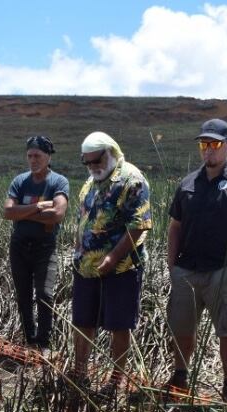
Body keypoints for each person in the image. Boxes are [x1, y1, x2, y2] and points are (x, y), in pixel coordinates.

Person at [166, 118, 227, 401]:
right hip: (187, 269)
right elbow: (175, 226)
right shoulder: (188, 182)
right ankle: (180, 377)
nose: (208, 150)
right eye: (203, 144)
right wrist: (172, 264)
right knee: (182, 327)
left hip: (222, 270)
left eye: (214, 144)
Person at [70, 132, 153, 394]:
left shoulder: (132, 179)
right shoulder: (90, 182)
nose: (93, 166)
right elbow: (84, 218)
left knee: (119, 323)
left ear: (110, 153)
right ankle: (80, 374)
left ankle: (115, 382)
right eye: (88, 162)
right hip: (86, 267)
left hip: (121, 268)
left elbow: (139, 225)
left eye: (97, 160)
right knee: (83, 321)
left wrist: (113, 256)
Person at [3, 135, 69, 353]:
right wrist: (41, 206)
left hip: (45, 247)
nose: (33, 160)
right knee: (23, 294)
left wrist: (23, 213)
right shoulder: (20, 181)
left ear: (48, 157)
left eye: (37, 156)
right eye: (30, 156)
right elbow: (7, 212)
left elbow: (57, 214)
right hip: (20, 245)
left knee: (44, 294)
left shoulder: (59, 182)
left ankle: (44, 342)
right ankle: (29, 340)